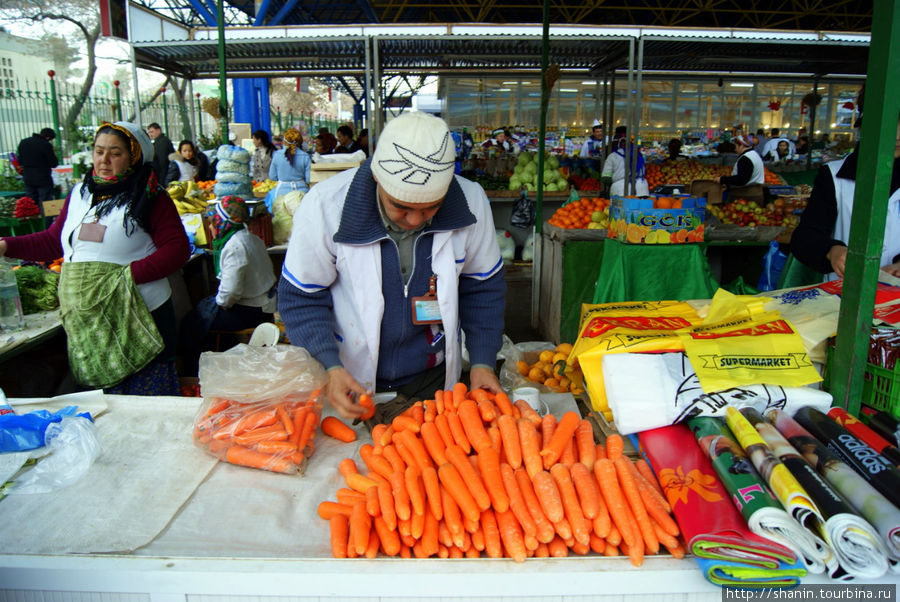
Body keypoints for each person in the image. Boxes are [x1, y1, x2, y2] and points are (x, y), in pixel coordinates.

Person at [277, 111, 506, 420]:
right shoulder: (325, 206)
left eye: (430, 208)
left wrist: (481, 362)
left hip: (433, 384)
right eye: (401, 206)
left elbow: (483, 290)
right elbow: (302, 297)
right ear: (376, 177)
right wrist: (328, 364)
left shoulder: (472, 202)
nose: (414, 220)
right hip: (348, 382)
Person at [0, 122, 190, 394]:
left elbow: (177, 250)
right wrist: (7, 245)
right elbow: (54, 240)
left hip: (139, 314)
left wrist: (123, 279)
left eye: (115, 153)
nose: (104, 160)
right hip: (91, 322)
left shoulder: (150, 196)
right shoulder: (80, 193)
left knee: (145, 403)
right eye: (99, 151)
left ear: (134, 156)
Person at [792, 90, 900, 281]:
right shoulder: (833, 177)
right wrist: (832, 250)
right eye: (890, 122)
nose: (897, 134)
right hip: (842, 298)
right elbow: (805, 236)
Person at [179, 196, 277, 376]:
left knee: (192, 324)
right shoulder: (251, 238)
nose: (210, 227)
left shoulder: (235, 246)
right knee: (205, 313)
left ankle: (197, 374)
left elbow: (230, 293)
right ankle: (226, 357)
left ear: (222, 223)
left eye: (211, 223)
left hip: (252, 311)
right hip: (262, 304)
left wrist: (220, 305)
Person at [16, 127, 59, 205]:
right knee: (45, 202)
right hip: (43, 178)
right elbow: (53, 163)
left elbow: (20, 161)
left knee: (30, 202)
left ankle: (33, 216)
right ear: (48, 137)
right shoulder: (45, 145)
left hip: (28, 177)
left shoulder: (24, 142)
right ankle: (46, 217)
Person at [601, 129, 649, 197]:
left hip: (621, 189)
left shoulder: (613, 156)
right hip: (642, 189)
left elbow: (606, 178)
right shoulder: (638, 155)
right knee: (642, 207)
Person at [268, 127, 311, 196]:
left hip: (282, 193)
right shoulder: (305, 156)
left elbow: (272, 176)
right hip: (302, 193)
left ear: (284, 141)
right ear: (300, 142)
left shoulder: (277, 155)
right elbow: (308, 179)